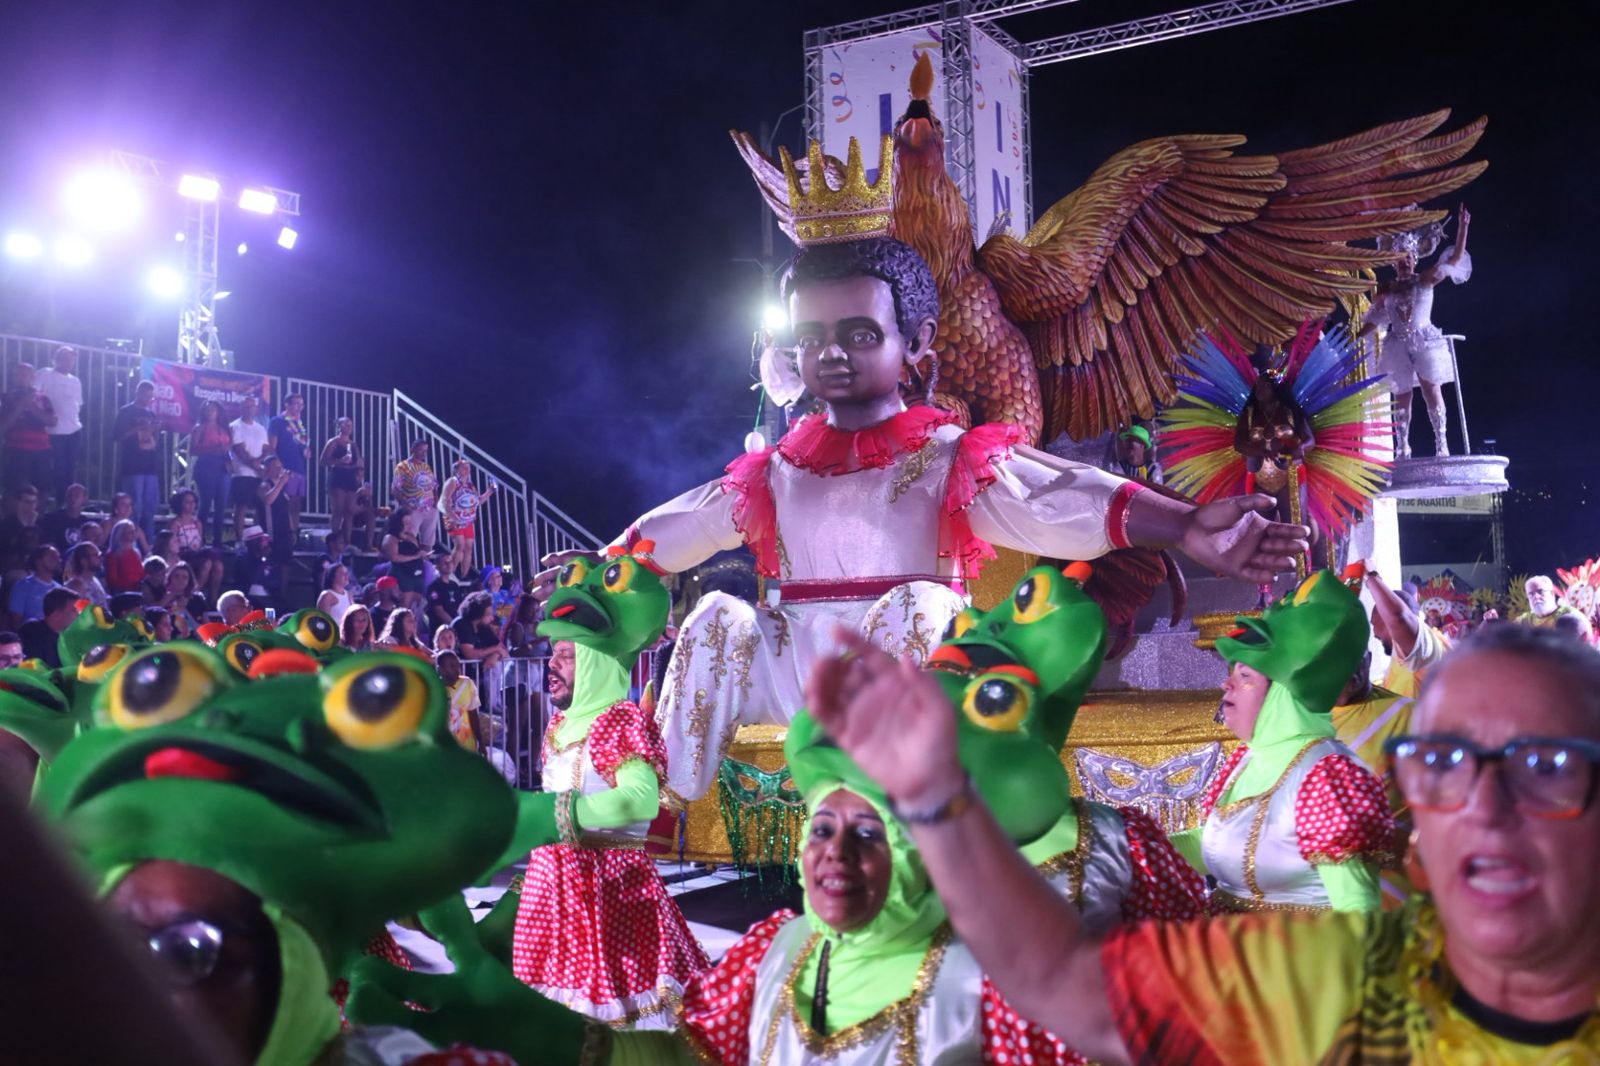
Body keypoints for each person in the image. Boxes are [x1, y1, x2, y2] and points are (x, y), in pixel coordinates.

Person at [543, 232, 1308, 806]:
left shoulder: (945, 457)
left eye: (859, 334)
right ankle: (664, 805)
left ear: (917, 343)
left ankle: (901, 809)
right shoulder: (776, 470)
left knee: (923, 605)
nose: (831, 355)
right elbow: (684, 524)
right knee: (716, 614)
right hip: (792, 672)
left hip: (899, 671)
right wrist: (601, 567)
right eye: (811, 339)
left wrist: (1185, 526)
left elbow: (1055, 496)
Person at [807, 617, 1600, 1062]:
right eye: (1445, 763)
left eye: (1546, 767)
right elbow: (1060, 977)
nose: (1485, 809)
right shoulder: (1346, 977)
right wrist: (933, 796)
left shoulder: (1323, 781)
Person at [1172, 570, 1392, 913]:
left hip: (1299, 947)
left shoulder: (1328, 778)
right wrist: (1124, 845)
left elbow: (1358, 910)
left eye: (1245, 676)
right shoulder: (1249, 758)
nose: (1227, 685)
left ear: (1284, 693)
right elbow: (1219, 844)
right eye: (1232, 673)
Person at [1360, 208, 1473, 458]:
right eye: (1400, 259)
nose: (1405, 262)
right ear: (1394, 262)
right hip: (1397, 345)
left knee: (1430, 389)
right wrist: (1357, 336)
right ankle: (1402, 446)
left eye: (1409, 258)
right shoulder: (1386, 289)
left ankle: (1441, 442)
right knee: (1401, 394)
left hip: (1424, 341)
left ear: (1414, 259)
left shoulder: (1425, 279)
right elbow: (1377, 317)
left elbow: (1454, 260)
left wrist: (1463, 228)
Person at [1366, 566, 1451, 698]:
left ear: (1387, 621)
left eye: (1374, 624)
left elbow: (1398, 618)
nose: (1375, 634)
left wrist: (1371, 576)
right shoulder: (1402, 655)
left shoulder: (1427, 646)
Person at [112, 379, 161, 538]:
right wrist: (137, 428)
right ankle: (130, 539)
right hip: (132, 466)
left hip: (150, 466)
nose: (148, 398)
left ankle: (148, 541)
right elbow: (117, 436)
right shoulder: (126, 411)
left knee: (150, 507)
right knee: (134, 507)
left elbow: (154, 441)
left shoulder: (152, 414)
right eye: (145, 394)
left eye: (150, 396)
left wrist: (155, 430)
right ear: (138, 392)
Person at [34, 345, 83, 500]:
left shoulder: (75, 381)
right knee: (57, 468)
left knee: (71, 468)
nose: (69, 362)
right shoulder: (45, 374)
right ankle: (56, 501)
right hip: (53, 431)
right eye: (65, 358)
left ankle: (67, 502)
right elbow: (33, 394)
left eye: (71, 360)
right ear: (56, 359)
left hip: (74, 430)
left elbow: (78, 404)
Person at [1, 363, 56, 495]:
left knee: (42, 490)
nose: (20, 378)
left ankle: (39, 510)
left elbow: (52, 421)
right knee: (13, 490)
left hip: (41, 450)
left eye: (24, 375)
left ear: (33, 377)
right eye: (17, 375)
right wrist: (20, 406)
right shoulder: (6, 398)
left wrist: (31, 406)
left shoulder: (42, 398)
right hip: (16, 450)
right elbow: (3, 427)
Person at [438, 458, 495, 580]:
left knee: (469, 547)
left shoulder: (470, 485)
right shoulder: (452, 482)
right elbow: (445, 500)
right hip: (455, 518)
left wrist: (490, 491)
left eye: (468, 467)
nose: (467, 470)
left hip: (468, 520)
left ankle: (463, 576)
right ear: (457, 470)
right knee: (460, 545)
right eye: (464, 467)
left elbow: (478, 501)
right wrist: (453, 517)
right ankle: (450, 574)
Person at [266, 393, 311, 544]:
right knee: (286, 503)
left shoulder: (299, 424)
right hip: (285, 468)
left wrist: (306, 451)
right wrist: (278, 465)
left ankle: (295, 537)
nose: (299, 407)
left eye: (301, 404)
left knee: (296, 505)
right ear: (287, 404)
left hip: (299, 468)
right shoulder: (277, 421)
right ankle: (286, 535)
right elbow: (272, 446)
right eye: (295, 404)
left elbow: (302, 445)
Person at [190, 399, 234, 547]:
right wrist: (214, 449)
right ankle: (200, 539)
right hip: (206, 465)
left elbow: (229, 446)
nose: (209, 412)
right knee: (206, 503)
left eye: (212, 409)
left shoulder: (224, 428)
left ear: (218, 412)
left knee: (221, 504)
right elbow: (193, 450)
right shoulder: (199, 428)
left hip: (223, 466)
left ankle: (217, 540)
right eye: (207, 410)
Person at [167, 488, 222, 603]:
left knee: (218, 565)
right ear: (180, 503)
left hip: (197, 554)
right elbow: (171, 545)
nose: (191, 505)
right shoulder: (175, 523)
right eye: (187, 502)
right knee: (207, 563)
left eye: (193, 502)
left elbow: (199, 542)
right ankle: (193, 594)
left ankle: (213, 598)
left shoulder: (197, 523)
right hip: (182, 556)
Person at [228, 395, 269, 544]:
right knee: (241, 505)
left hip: (258, 473)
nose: (249, 409)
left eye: (252, 406)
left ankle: (258, 538)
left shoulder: (261, 428)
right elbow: (239, 449)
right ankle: (239, 540)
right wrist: (255, 465)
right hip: (242, 472)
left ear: (256, 409)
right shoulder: (235, 426)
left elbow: (266, 448)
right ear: (241, 408)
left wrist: (260, 463)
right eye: (246, 406)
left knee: (261, 505)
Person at [321, 416, 363, 548]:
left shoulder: (353, 445)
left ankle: (347, 542)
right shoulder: (333, 442)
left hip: (351, 477)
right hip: (338, 476)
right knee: (338, 510)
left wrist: (359, 472)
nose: (349, 427)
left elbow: (359, 462)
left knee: (349, 511)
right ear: (339, 427)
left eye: (350, 425)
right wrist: (340, 461)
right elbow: (323, 461)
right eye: (346, 425)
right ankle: (334, 539)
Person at [392, 439, 440, 551]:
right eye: (421, 450)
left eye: (426, 451)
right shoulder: (403, 466)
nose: (424, 453)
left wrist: (436, 503)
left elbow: (434, 486)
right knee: (410, 538)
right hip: (413, 508)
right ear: (412, 449)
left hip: (429, 508)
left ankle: (426, 561)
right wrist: (405, 505)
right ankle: (411, 560)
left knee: (428, 541)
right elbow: (395, 489)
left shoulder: (426, 467)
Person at [381, 506, 428, 613]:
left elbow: (416, 551)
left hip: (416, 574)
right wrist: (414, 557)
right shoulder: (391, 538)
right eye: (406, 523)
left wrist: (421, 555)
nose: (409, 525)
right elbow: (394, 557)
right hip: (402, 574)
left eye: (410, 522)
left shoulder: (411, 536)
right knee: (404, 607)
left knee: (417, 607)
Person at [1518, 574, 1594, 639]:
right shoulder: (1524, 620)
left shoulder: (1570, 615)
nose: (1536, 597)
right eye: (1531, 594)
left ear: (1552, 593)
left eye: (1540, 591)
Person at [18, 588, 79, 667]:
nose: (79, 614)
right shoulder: (31, 634)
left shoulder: (71, 637)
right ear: (56, 615)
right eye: (75, 610)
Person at [436, 649, 481, 751]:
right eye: (452, 666)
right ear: (441, 669)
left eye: (457, 665)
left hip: (468, 747)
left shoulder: (468, 684)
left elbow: (473, 715)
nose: (457, 669)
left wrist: (480, 742)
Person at [7, 544, 64, 623]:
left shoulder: (60, 589)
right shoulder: (23, 587)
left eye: (58, 557)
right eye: (52, 556)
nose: (58, 560)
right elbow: (15, 621)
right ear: (38, 562)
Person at [256, 454, 294, 563]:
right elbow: (268, 500)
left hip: (285, 531)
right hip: (271, 532)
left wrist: (292, 530)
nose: (279, 469)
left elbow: (288, 511)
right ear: (268, 468)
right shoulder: (264, 485)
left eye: (280, 466)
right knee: (272, 562)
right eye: (276, 467)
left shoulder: (282, 488)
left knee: (286, 563)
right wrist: (281, 482)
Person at [234, 525, 282, 611]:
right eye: (261, 540)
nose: (266, 542)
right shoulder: (242, 559)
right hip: (249, 597)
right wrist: (262, 560)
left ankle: (271, 618)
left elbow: (275, 581)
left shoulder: (270, 559)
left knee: (276, 608)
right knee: (264, 607)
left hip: (269, 597)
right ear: (253, 542)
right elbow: (251, 579)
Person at [36, 481, 87, 552]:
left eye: (77, 495)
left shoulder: (85, 522)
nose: (73, 498)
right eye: (70, 495)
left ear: (84, 499)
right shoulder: (51, 519)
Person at [160, 560, 205, 639]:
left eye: (184, 577)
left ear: (189, 581)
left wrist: (183, 610)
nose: (180, 580)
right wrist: (167, 601)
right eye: (176, 576)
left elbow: (205, 628)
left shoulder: (197, 599)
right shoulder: (161, 596)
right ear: (170, 578)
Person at [103, 519, 145, 597]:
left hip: (139, 591)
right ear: (120, 534)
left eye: (134, 531)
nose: (133, 533)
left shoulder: (136, 553)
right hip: (123, 594)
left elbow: (141, 574)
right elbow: (112, 581)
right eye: (130, 531)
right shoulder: (113, 555)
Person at [61, 541, 107, 609]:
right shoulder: (75, 586)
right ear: (83, 561)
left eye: (99, 555)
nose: (100, 558)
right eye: (95, 555)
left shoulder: (95, 580)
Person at [426, 558, 465, 635]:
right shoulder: (434, 586)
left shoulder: (454, 585)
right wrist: (455, 625)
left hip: (455, 629)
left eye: (450, 561)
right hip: (440, 630)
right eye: (445, 562)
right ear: (437, 566)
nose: (448, 564)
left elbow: (460, 606)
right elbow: (439, 611)